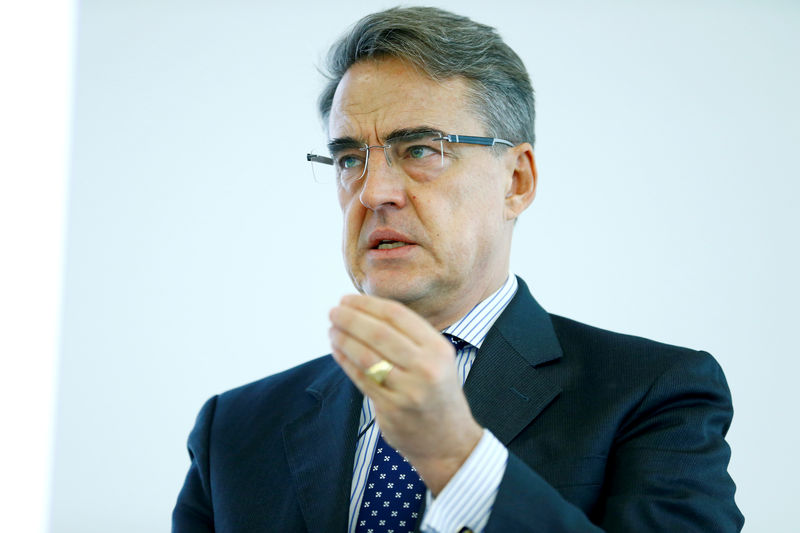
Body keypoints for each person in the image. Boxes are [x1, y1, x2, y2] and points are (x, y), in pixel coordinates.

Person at [172, 6, 743, 532]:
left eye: (420, 149)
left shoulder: (655, 394)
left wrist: (455, 457)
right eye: (350, 158)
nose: (373, 192)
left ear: (516, 181)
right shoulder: (235, 430)